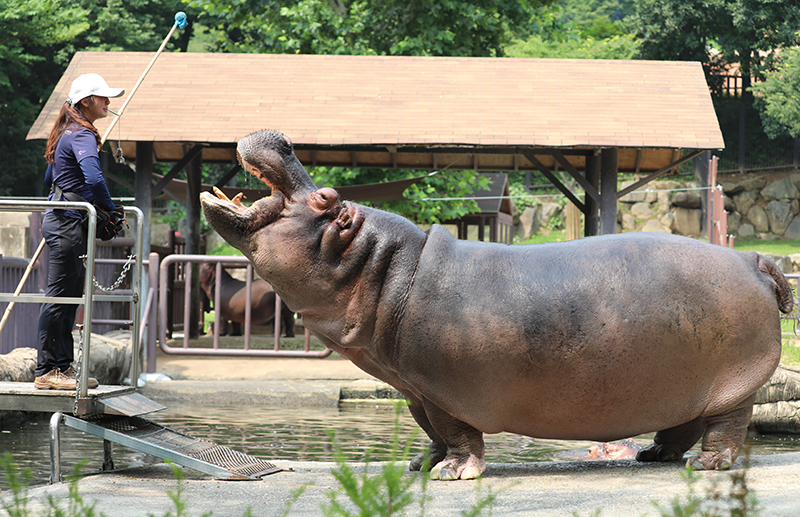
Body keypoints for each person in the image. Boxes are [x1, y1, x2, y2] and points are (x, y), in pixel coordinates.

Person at [34, 73, 124, 390]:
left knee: (70, 299)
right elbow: (96, 180)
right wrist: (109, 210)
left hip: (65, 219)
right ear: (86, 101)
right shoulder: (82, 134)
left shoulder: (65, 132)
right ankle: (45, 371)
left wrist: (86, 204)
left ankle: (63, 368)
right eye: (102, 97)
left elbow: (49, 179)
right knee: (59, 298)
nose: (108, 102)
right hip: (67, 222)